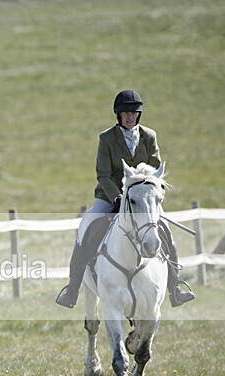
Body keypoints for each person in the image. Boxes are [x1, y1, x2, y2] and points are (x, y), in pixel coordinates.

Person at [55, 90, 195, 308]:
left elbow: (156, 168)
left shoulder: (149, 136)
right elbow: (103, 174)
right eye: (126, 113)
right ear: (118, 115)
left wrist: (147, 194)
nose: (130, 117)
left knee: (165, 230)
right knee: (86, 227)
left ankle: (175, 287)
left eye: (134, 113)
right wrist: (118, 197)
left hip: (142, 200)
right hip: (111, 196)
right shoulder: (107, 138)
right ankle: (72, 289)